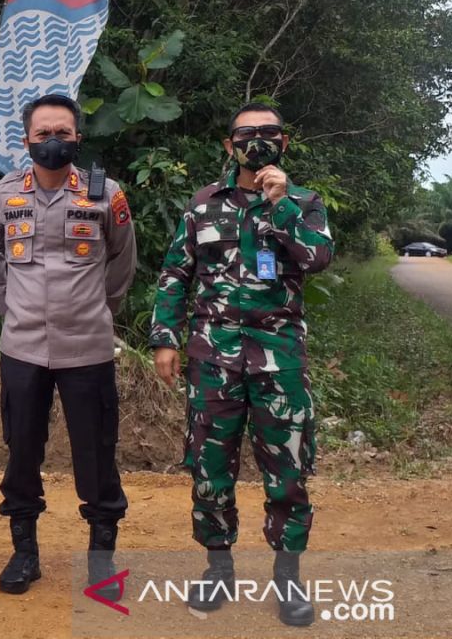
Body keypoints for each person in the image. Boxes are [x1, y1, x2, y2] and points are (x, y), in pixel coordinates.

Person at [150, 102, 333, 626]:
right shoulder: (204, 204)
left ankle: (288, 577)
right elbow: (174, 273)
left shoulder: (304, 203)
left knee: (289, 471)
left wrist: (280, 206)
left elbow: (317, 259)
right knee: (209, 468)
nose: (257, 141)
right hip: (213, 357)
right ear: (229, 146)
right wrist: (165, 338)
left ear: (284, 143)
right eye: (246, 134)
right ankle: (217, 567)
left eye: (268, 133)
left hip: (280, 359)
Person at [0, 94, 136, 599]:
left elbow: (122, 261)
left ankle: (101, 561)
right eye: (43, 133)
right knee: (22, 450)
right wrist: (6, 306)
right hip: (22, 348)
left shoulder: (105, 195)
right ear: (26, 141)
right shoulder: (0, 196)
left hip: (88, 347)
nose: (52, 141)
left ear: (78, 138)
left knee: (96, 452)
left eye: (62, 132)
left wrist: (99, 309)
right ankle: (25, 554)